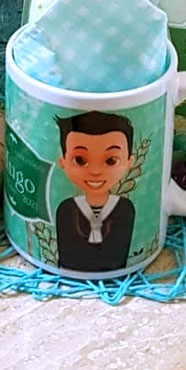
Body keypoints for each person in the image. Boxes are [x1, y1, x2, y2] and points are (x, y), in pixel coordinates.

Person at [54, 112, 136, 273]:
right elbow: (66, 256)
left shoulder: (125, 209)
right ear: (63, 162)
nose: (96, 171)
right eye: (80, 160)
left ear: (129, 162)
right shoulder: (66, 209)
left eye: (111, 160)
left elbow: (118, 257)